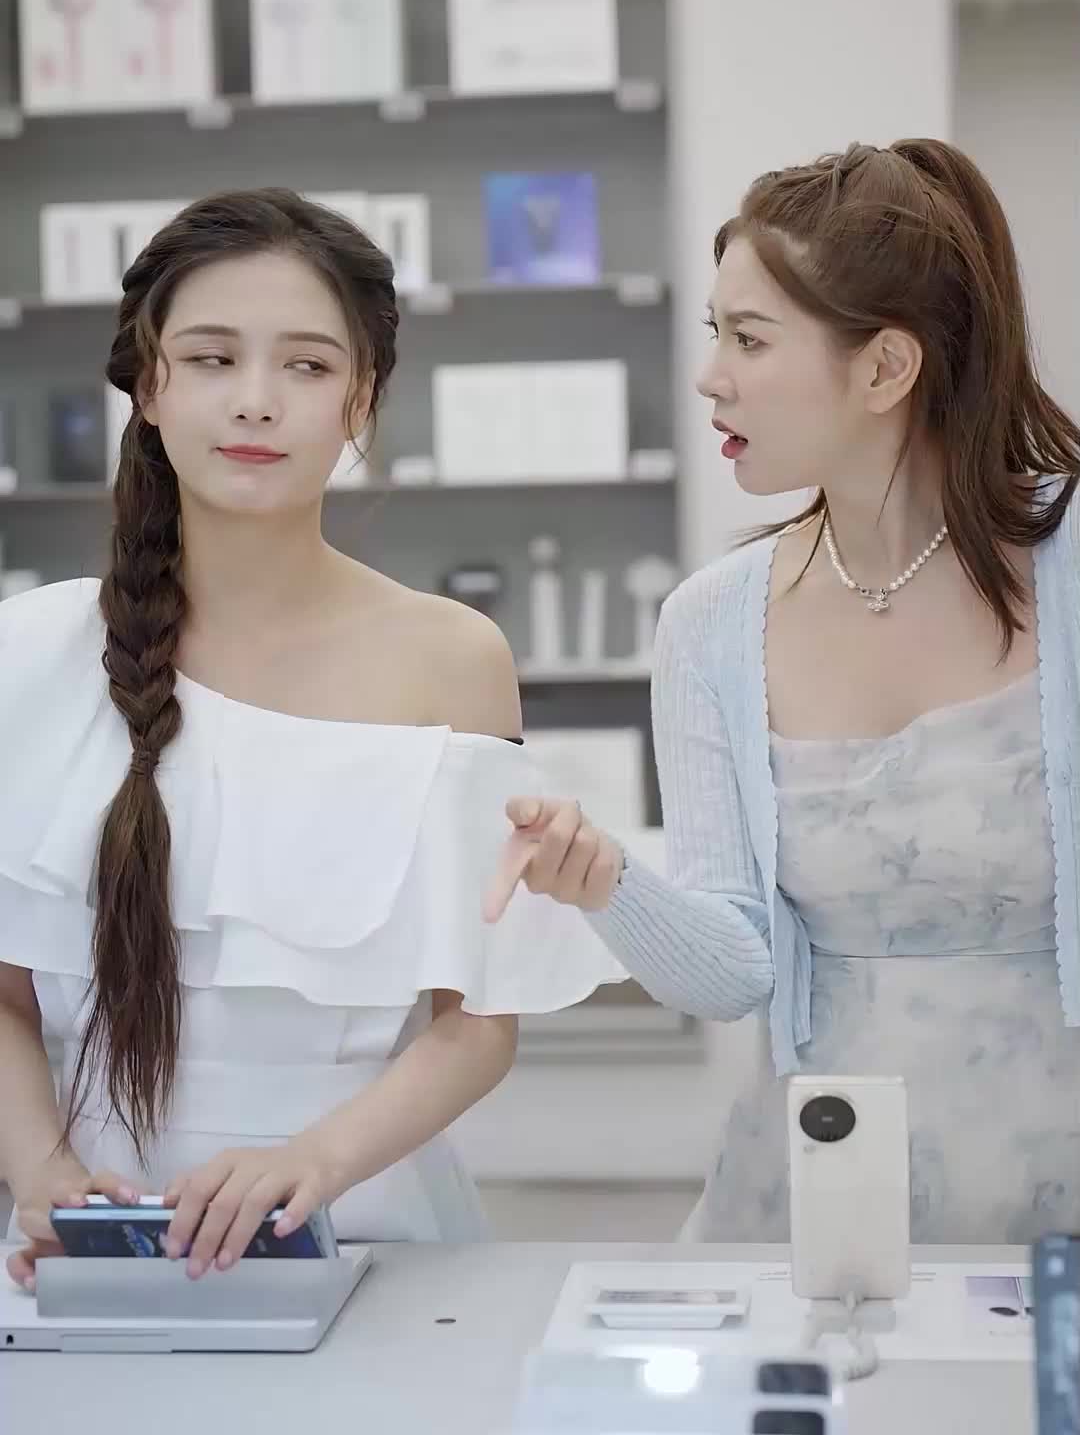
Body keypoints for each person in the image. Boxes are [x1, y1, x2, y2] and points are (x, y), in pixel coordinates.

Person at [0, 188, 622, 1291]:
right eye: (211, 359)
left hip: (362, 1230)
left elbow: (478, 1025)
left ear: (360, 400)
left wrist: (311, 1163)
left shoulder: (450, 657)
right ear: (150, 385)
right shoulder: (29, 652)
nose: (256, 401)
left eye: (307, 365)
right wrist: (42, 1170)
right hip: (87, 1242)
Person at [488, 139, 1080, 1245]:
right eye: (716, 333)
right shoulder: (711, 622)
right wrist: (608, 882)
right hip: (821, 1193)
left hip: (1054, 1189)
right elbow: (732, 972)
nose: (710, 375)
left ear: (885, 369)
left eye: (750, 339)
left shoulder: (1068, 563)